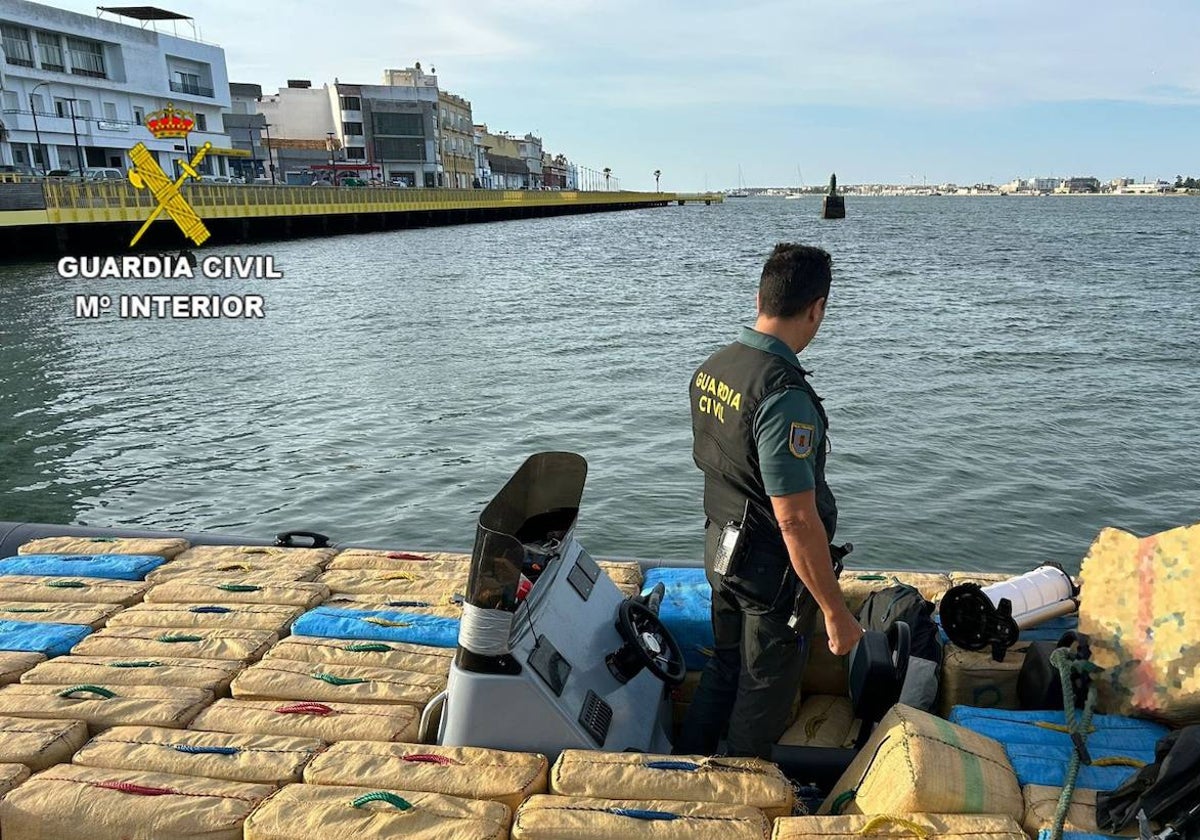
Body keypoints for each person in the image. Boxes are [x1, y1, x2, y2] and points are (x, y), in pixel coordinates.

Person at [676, 243, 864, 759]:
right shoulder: (783, 396)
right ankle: (736, 797)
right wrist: (834, 612)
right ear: (817, 308)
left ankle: (680, 771)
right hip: (767, 574)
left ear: (759, 297)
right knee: (763, 690)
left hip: (719, 549)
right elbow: (796, 519)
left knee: (724, 667)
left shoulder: (714, 368)